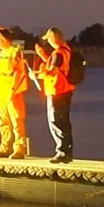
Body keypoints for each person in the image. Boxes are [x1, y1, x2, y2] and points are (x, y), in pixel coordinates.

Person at [32, 28, 75, 163]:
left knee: (56, 121)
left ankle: (62, 152)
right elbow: (57, 65)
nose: (48, 42)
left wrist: (36, 75)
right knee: (64, 121)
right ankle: (66, 151)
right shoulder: (66, 50)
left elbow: (52, 72)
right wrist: (43, 55)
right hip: (65, 90)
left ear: (53, 38)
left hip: (57, 91)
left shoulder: (58, 53)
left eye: (49, 39)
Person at [0, 28, 30, 159]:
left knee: (16, 119)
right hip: (1, 91)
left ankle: (19, 148)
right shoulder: (2, 53)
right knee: (3, 120)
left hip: (12, 91)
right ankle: (5, 147)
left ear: (3, 39)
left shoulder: (15, 52)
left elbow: (18, 72)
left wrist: (13, 89)